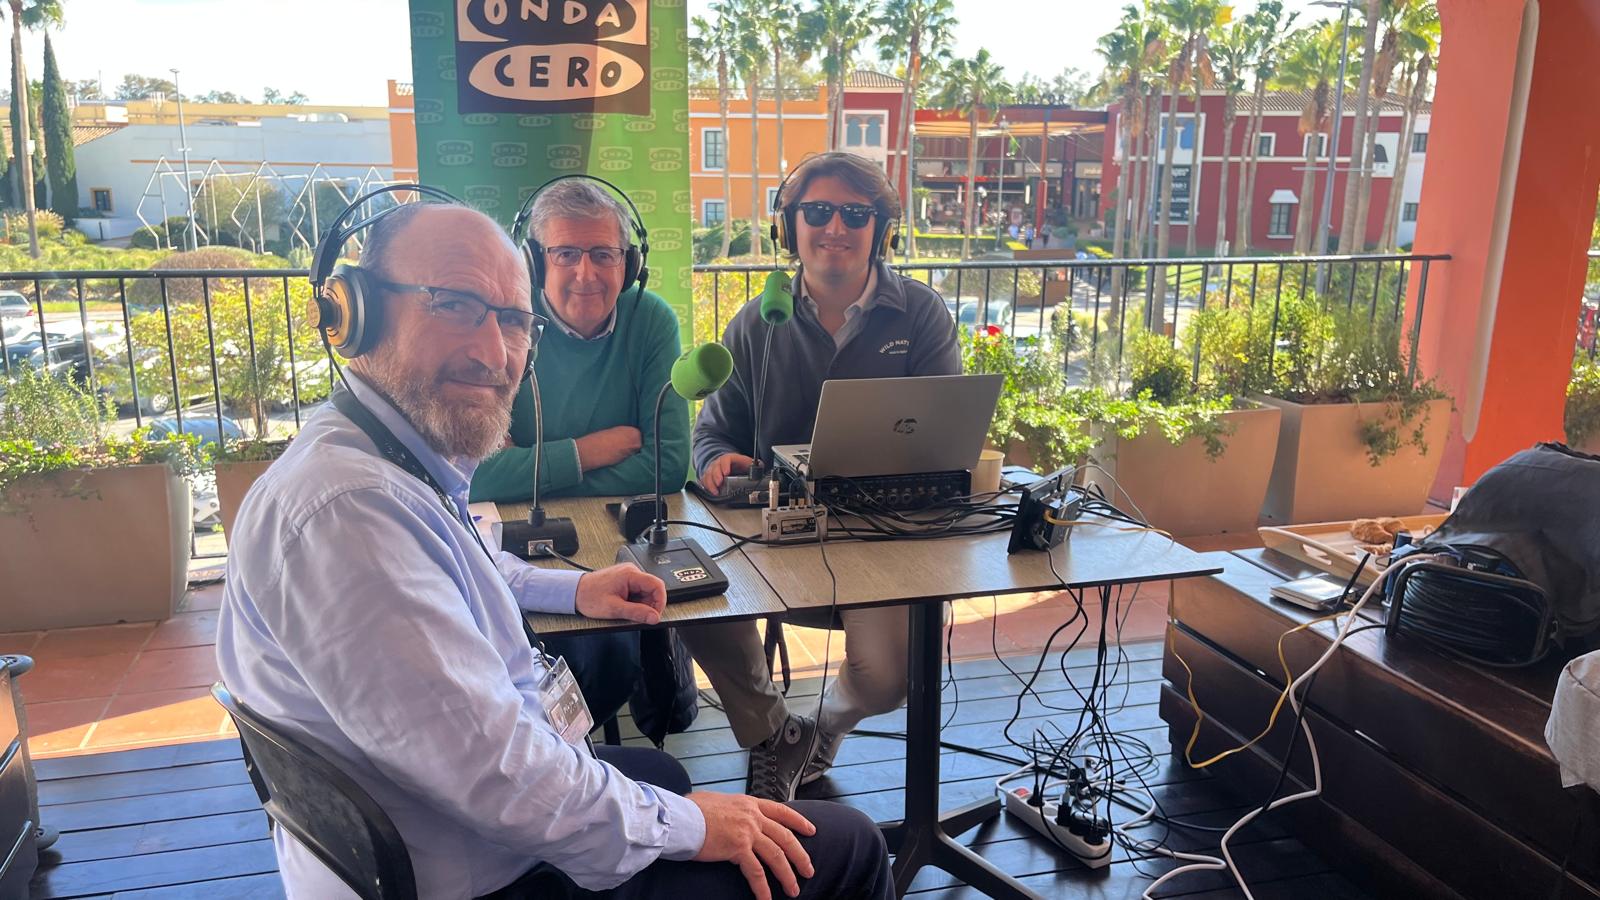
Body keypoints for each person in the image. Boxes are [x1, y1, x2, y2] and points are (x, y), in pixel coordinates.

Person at [216, 201, 892, 900]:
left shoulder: (378, 458)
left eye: (512, 320)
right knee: (849, 845)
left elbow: (461, 556)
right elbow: (499, 779)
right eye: (453, 304)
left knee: (662, 776)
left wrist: (571, 590)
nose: (493, 351)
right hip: (477, 871)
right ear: (353, 313)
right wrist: (688, 827)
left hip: (448, 826)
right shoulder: (345, 515)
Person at [688, 152, 960, 803]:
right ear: (790, 226)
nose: (834, 227)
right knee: (687, 586)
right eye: (817, 211)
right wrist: (714, 460)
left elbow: (948, 438)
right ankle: (772, 731)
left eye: (854, 214)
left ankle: (823, 727)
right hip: (774, 535)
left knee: (890, 679)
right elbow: (711, 433)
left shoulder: (921, 315)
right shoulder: (756, 321)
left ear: (880, 229)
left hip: (879, 535)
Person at [469, 178, 690, 727]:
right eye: (566, 253)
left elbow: (668, 465)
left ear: (629, 261)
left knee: (619, 649)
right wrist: (596, 450)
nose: (586, 273)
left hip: (624, 534)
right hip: (519, 544)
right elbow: (477, 474)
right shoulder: (503, 328)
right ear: (535, 260)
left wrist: (531, 463)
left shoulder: (652, 320)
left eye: (603, 254)